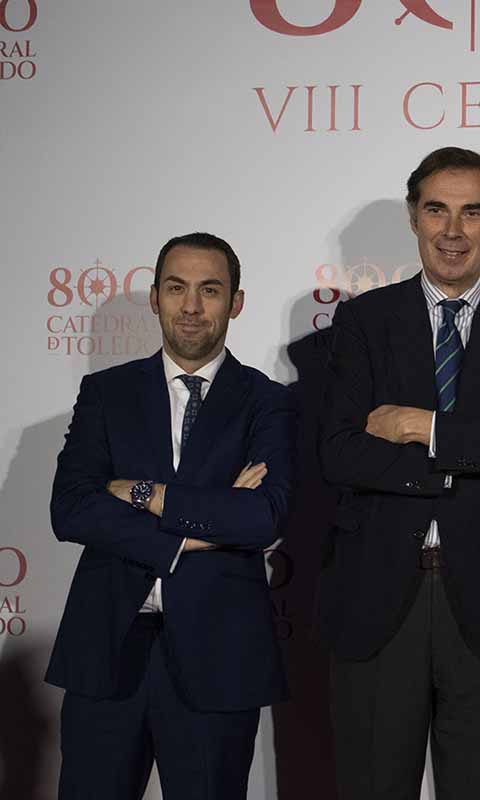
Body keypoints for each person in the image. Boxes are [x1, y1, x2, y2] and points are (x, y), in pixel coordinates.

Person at [317, 146, 480, 799]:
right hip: (378, 603)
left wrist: (419, 426)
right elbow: (339, 452)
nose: (453, 231)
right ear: (413, 217)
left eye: (472, 212)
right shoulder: (363, 321)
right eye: (437, 210)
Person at [48, 232, 295, 799]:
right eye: (177, 288)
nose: (191, 306)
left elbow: (262, 517)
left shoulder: (268, 401)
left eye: (209, 290)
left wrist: (140, 493)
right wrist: (193, 534)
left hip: (220, 656)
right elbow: (71, 508)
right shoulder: (106, 392)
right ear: (155, 297)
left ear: (235, 302)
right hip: (107, 648)